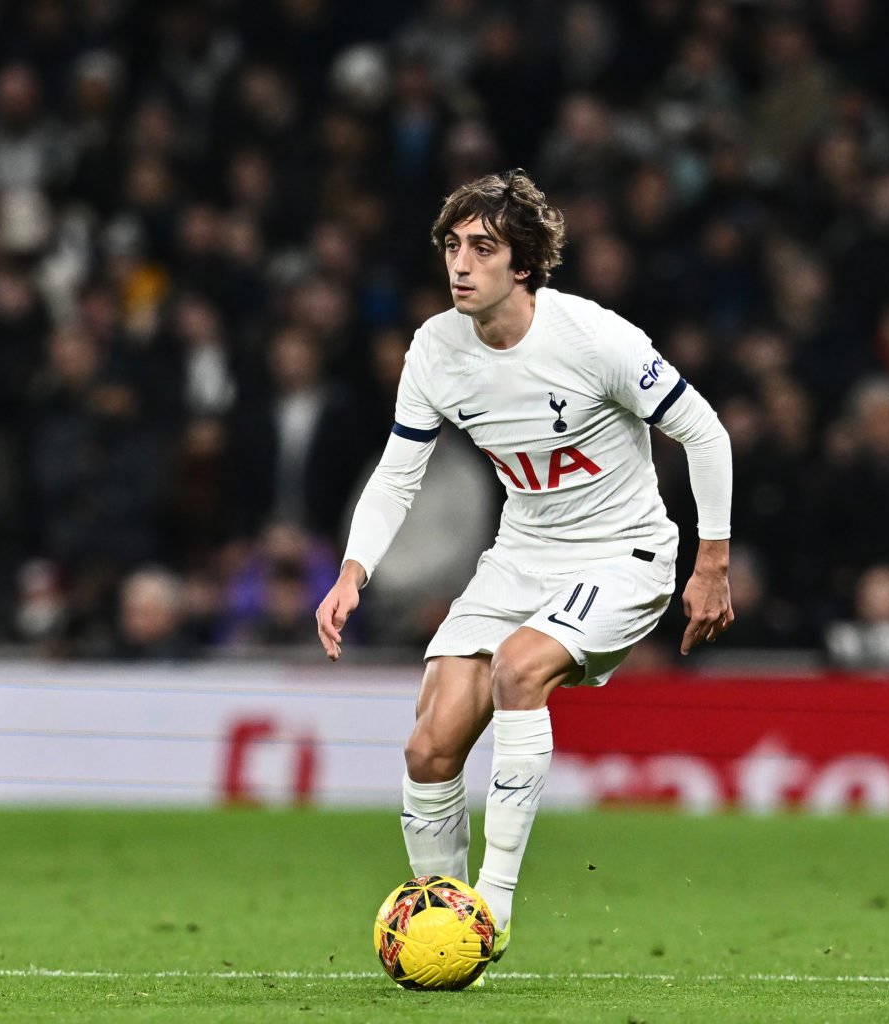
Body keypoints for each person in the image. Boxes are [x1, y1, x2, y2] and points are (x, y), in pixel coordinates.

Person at [314, 169, 733, 959]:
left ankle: (491, 911)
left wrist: (710, 562)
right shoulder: (436, 349)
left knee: (518, 668)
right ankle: (437, 922)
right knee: (430, 743)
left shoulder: (592, 338)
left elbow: (705, 432)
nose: (460, 264)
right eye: (451, 245)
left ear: (524, 264)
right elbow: (399, 472)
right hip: (520, 556)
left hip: (624, 553)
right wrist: (352, 570)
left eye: (482, 247)